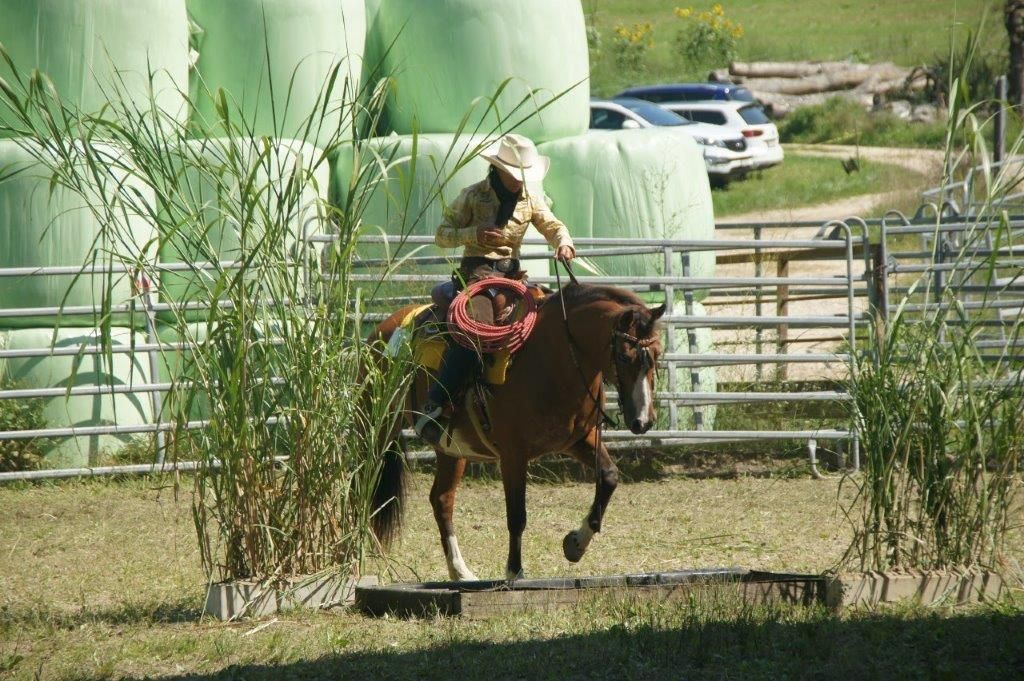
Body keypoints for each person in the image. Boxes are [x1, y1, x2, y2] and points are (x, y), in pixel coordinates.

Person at [414, 133, 575, 445]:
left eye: (523, 176)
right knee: (477, 329)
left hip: (513, 277)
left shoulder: (530, 199)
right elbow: (442, 235)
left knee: (551, 320)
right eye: (515, 175)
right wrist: (473, 233)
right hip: (475, 272)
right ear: (499, 170)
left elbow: (552, 225)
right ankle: (436, 404)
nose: (519, 182)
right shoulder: (472, 196)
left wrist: (564, 243)